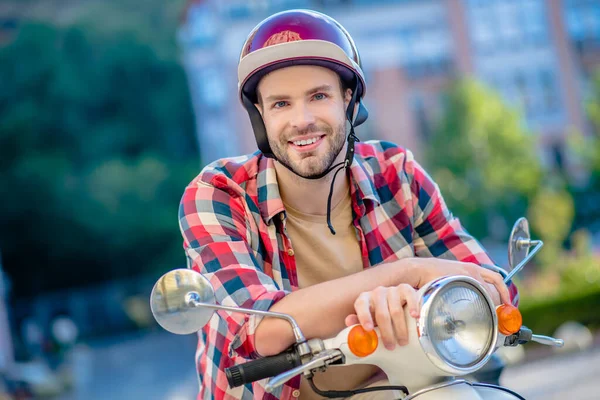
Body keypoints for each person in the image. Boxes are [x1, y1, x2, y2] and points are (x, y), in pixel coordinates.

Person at [178, 9, 518, 400]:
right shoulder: (219, 194)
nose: (301, 120)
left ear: (349, 100)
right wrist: (405, 273)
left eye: (318, 96)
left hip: (399, 389)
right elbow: (263, 330)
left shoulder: (397, 175)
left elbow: (494, 288)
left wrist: (417, 295)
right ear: (260, 117)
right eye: (280, 104)